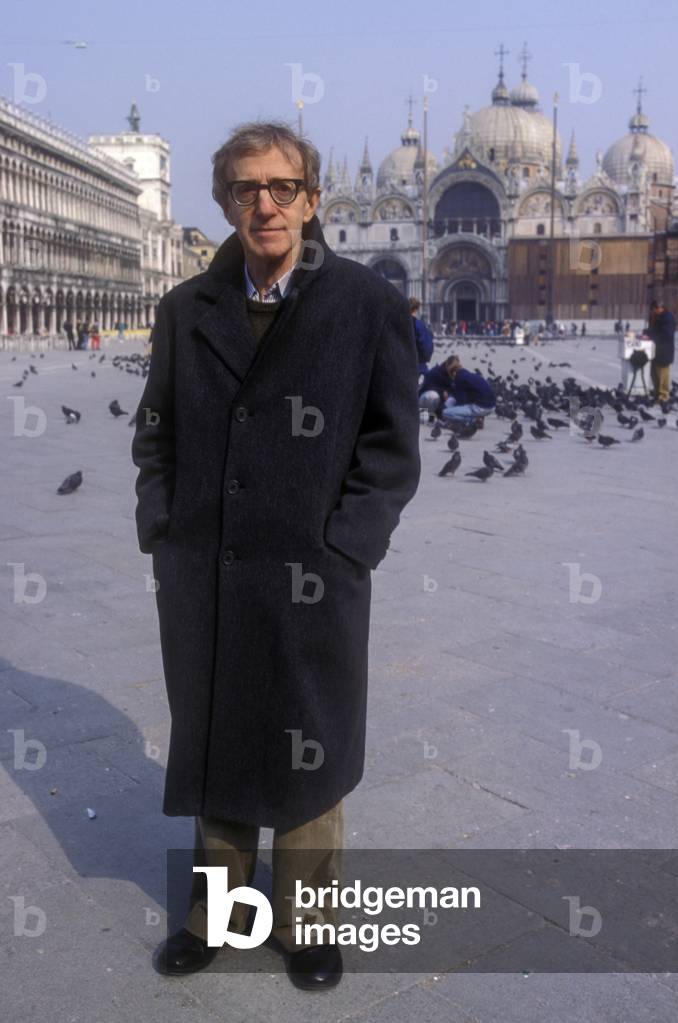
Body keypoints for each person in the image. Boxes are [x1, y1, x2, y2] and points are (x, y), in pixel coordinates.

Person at [131, 119, 421, 989]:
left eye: (281, 187)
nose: (264, 204)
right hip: (207, 569)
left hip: (313, 573)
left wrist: (348, 546)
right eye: (245, 188)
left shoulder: (365, 304)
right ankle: (215, 913)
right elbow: (155, 433)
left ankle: (307, 921)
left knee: (309, 741)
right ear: (225, 202)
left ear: (311, 199)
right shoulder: (186, 309)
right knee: (217, 736)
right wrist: (163, 526)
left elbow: (391, 447)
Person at [440, 358, 496, 428]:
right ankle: (478, 417)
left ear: (454, 373)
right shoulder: (472, 375)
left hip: (480, 407)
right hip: (491, 406)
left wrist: (449, 407)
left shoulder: (459, 378)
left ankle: (474, 421)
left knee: (445, 413)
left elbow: (461, 401)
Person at [648, 299, 675, 404]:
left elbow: (667, 334)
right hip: (655, 350)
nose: (653, 311)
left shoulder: (667, 317)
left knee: (663, 373)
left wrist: (651, 335)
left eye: (654, 309)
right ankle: (657, 394)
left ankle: (663, 396)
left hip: (664, 350)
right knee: (654, 373)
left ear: (659, 308)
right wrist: (647, 333)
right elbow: (652, 330)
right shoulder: (655, 317)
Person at [409, 296, 434, 375]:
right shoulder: (417, 324)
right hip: (417, 362)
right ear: (417, 309)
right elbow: (425, 346)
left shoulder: (398, 322)